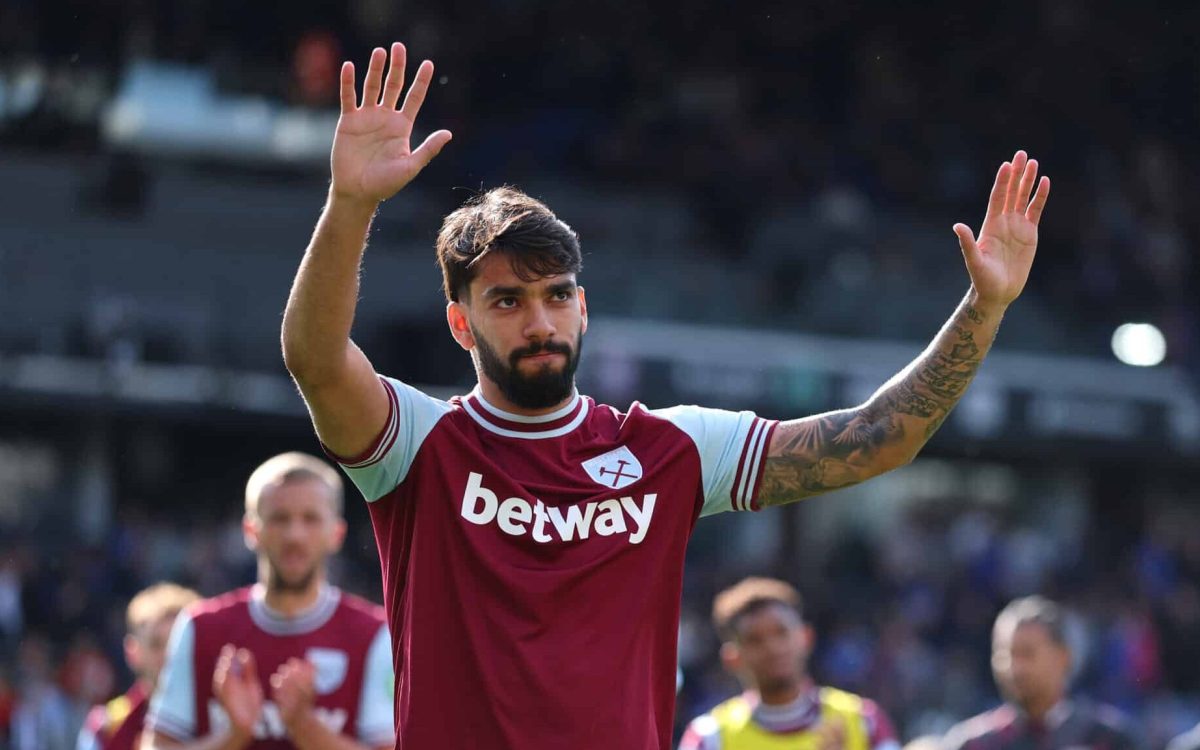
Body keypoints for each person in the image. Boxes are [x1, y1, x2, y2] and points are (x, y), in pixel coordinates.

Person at [280, 42, 1051, 750]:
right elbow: (315, 360)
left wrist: (984, 308)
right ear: (460, 322)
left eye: (557, 296)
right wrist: (350, 205)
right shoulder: (420, 446)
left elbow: (881, 436)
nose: (540, 321)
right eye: (508, 302)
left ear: (583, 308)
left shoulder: (670, 448)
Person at [142, 453, 394, 750]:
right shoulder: (200, 627)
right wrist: (234, 734)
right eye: (279, 518)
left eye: (310, 519)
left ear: (336, 533)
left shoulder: (375, 634)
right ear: (251, 530)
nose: (294, 534)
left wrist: (305, 725)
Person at [679, 577, 899, 750]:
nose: (773, 648)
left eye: (782, 633)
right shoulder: (709, 738)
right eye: (754, 640)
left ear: (806, 637)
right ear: (732, 658)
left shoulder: (864, 722)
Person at [942, 596, 1137, 750]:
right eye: (1005, 654)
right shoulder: (974, 744)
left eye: (1027, 654)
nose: (1014, 668)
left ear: (1063, 658)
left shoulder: (1107, 740)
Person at [78, 583, 199, 750]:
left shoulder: (226, 716)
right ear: (132, 652)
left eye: (179, 643)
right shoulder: (108, 727)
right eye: (156, 644)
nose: (170, 654)